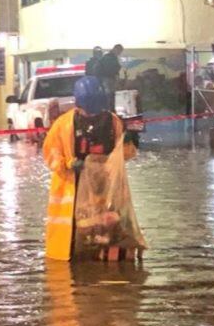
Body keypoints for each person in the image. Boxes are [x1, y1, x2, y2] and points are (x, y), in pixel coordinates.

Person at [43, 76, 142, 262]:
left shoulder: (113, 122)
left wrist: (128, 141)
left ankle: (105, 260)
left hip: (105, 188)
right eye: (89, 111)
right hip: (71, 188)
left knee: (106, 230)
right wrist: (68, 164)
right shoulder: (63, 125)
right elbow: (50, 153)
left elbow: (126, 155)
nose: (92, 115)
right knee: (71, 240)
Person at [94, 44, 124, 109]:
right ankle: (110, 111)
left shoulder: (109, 57)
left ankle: (110, 110)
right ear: (115, 49)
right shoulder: (109, 58)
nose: (119, 53)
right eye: (119, 51)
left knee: (110, 96)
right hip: (107, 79)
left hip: (107, 79)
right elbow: (110, 69)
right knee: (109, 96)